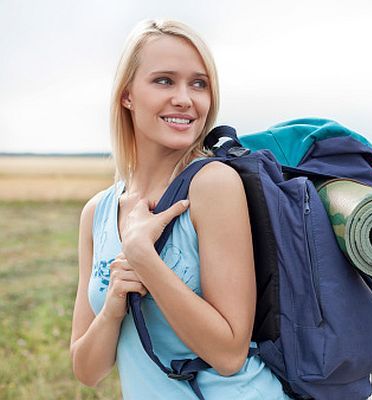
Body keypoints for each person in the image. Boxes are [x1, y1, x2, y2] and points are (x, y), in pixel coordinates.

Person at [69, 19, 292, 399]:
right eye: (164, 80)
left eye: (199, 83)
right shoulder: (97, 213)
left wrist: (145, 260)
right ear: (127, 95)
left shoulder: (213, 184)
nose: (185, 99)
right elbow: (87, 370)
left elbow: (229, 354)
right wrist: (112, 308)